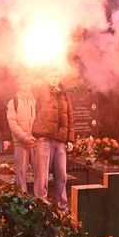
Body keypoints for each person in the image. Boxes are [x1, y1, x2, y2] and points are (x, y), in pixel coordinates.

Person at [32, 69, 75, 209]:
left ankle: (62, 205)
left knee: (62, 175)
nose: (54, 78)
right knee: (42, 175)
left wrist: (70, 139)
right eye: (51, 75)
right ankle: (41, 202)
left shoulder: (64, 94)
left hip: (60, 140)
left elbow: (70, 117)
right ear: (46, 77)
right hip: (45, 138)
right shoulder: (41, 90)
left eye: (56, 75)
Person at [6, 74, 36, 190]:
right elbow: (12, 124)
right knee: (21, 173)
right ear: (18, 85)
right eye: (23, 83)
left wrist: (36, 136)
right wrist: (24, 138)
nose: (25, 86)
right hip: (21, 143)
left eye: (28, 83)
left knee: (40, 173)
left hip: (36, 142)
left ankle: (39, 199)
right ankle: (22, 199)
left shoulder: (36, 100)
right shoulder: (13, 102)